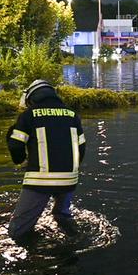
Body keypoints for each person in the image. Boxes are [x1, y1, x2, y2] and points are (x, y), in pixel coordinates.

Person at [6, 80, 86, 241]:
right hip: (69, 179)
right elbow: (81, 147)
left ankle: (31, 256)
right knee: (62, 217)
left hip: (40, 180)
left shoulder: (29, 115)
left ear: (32, 98)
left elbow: (15, 145)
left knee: (17, 231)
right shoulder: (72, 114)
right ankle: (73, 240)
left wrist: (21, 161)